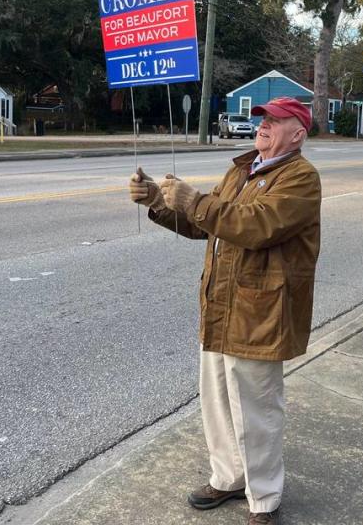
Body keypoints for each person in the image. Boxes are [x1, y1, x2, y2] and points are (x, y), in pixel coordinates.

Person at [128, 96, 321, 525]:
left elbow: (256, 226)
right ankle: (229, 476)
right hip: (220, 304)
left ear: (298, 133)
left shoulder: (301, 178)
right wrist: (158, 201)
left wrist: (194, 200)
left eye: (275, 121)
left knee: (257, 410)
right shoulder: (242, 169)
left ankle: (264, 500)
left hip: (261, 312)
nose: (264, 126)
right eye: (262, 119)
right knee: (217, 401)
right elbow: (206, 225)